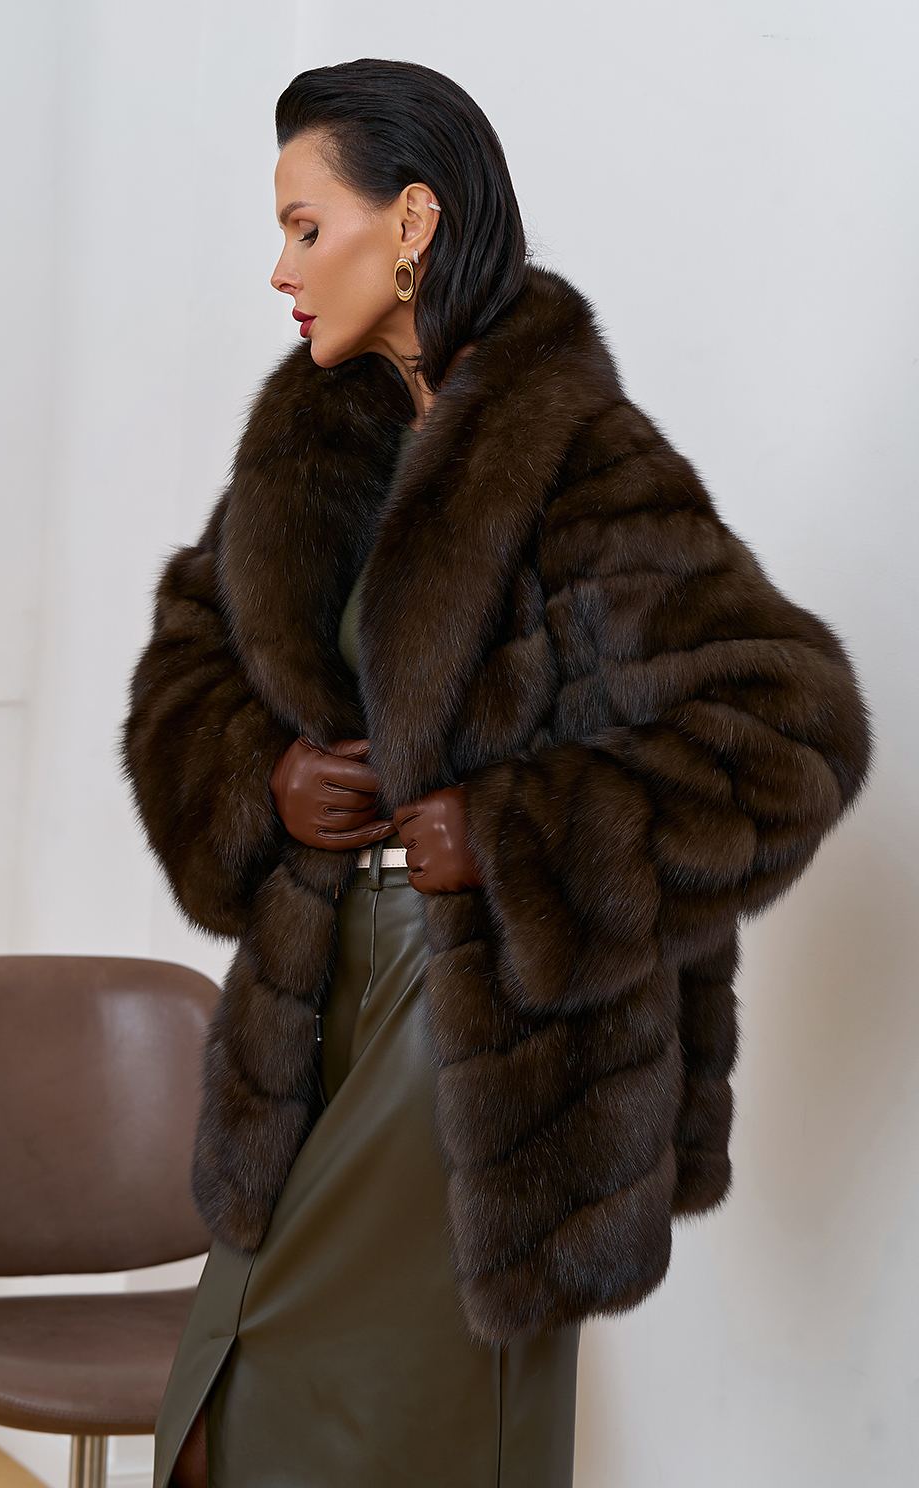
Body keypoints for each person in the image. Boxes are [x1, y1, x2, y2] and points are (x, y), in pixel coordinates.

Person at [123, 57, 870, 1488]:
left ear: (411, 222)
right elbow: (184, 669)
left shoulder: (576, 456)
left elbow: (792, 729)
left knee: (394, 1443)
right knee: (220, 1426)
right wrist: (264, 778)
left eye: (306, 227)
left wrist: (521, 835)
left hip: (479, 1044)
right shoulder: (306, 452)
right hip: (312, 1014)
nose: (280, 269)